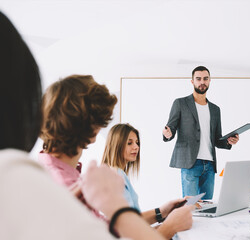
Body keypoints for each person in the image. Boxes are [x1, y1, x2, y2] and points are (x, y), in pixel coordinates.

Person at [0, 11, 164, 240]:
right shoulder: (25, 177)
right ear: (94, 129)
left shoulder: (61, 174)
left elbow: (103, 228)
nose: (135, 147)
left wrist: (159, 214)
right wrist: (166, 227)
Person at [38, 74, 117, 220]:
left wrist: (160, 217)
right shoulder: (65, 185)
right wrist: (168, 227)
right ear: (92, 127)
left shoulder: (47, 169)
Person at [102, 123, 194, 239]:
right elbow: (128, 230)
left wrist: (162, 211)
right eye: (129, 143)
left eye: (137, 143)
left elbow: (132, 221)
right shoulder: (116, 176)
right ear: (116, 144)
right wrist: (169, 225)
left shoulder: (114, 173)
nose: (136, 147)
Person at [162, 66, 239, 199]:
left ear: (209, 81)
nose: (202, 82)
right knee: (189, 208)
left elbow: (216, 139)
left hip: (209, 165)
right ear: (192, 81)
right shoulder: (180, 103)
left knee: (207, 208)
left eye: (205, 79)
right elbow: (171, 128)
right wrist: (167, 134)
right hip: (190, 163)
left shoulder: (215, 109)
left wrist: (228, 141)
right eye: (198, 79)